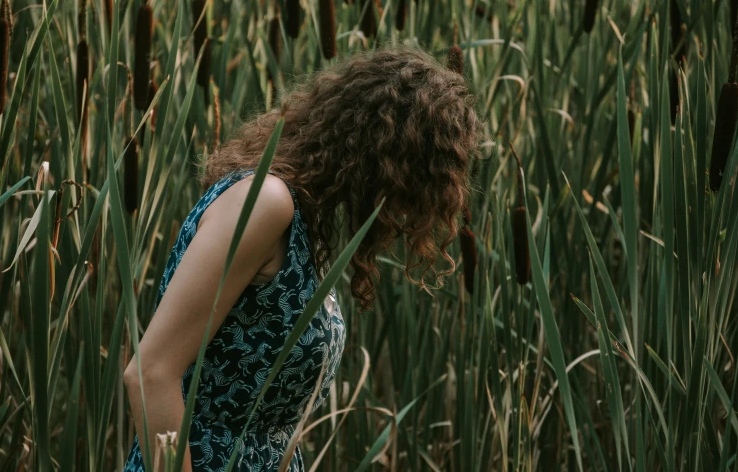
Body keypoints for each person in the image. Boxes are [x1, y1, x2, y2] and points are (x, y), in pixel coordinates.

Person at [121, 44, 485, 472]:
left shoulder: (304, 223)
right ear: (387, 158)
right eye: (418, 181)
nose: (412, 207)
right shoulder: (266, 202)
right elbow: (150, 374)